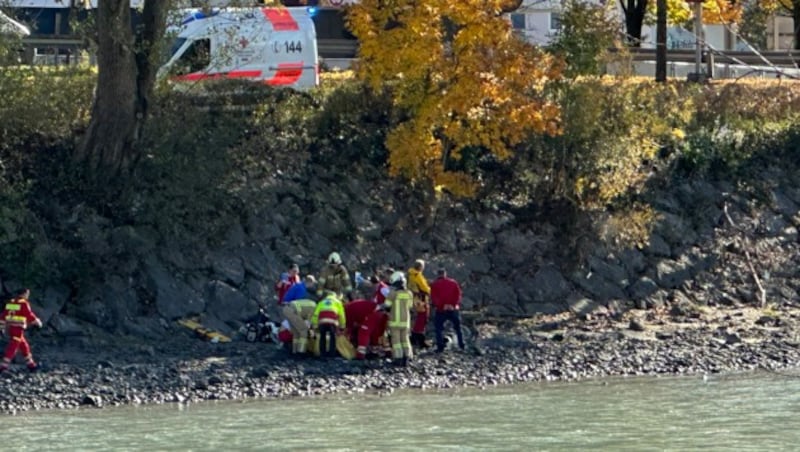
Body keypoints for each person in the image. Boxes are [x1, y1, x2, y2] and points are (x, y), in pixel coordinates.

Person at [0, 288, 43, 373]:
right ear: (24, 294)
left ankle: (31, 365)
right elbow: (29, 314)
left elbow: (3, 315)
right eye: (27, 294)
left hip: (11, 328)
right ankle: (3, 366)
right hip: (18, 329)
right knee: (13, 347)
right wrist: (37, 322)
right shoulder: (23, 303)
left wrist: (1, 327)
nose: (28, 296)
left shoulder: (11, 302)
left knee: (24, 346)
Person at [379, 271, 414, 366]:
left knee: (396, 341)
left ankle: (398, 358)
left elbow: (387, 305)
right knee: (405, 340)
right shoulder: (409, 293)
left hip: (395, 321)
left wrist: (379, 307)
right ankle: (407, 357)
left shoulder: (393, 293)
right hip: (405, 321)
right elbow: (410, 306)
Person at [430, 268, 465, 353]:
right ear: (445, 274)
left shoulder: (435, 284)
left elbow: (434, 298)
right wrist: (453, 304)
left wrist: (442, 305)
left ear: (438, 274)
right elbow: (458, 295)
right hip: (453, 309)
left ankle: (440, 347)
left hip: (441, 310)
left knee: (439, 328)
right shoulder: (453, 283)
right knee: (458, 328)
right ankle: (461, 345)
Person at [311, 291, 346, 358]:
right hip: (332, 322)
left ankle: (322, 354)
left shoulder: (321, 302)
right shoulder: (338, 302)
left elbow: (316, 314)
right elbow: (342, 315)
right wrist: (342, 326)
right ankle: (331, 354)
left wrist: (315, 325)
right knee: (332, 337)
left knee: (322, 337)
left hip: (322, 322)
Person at [407, 259, 431, 349]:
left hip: (415, 298)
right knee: (423, 317)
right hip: (421, 299)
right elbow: (425, 288)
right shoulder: (418, 275)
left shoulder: (410, 275)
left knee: (419, 317)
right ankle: (419, 338)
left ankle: (415, 336)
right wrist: (430, 290)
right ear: (421, 267)